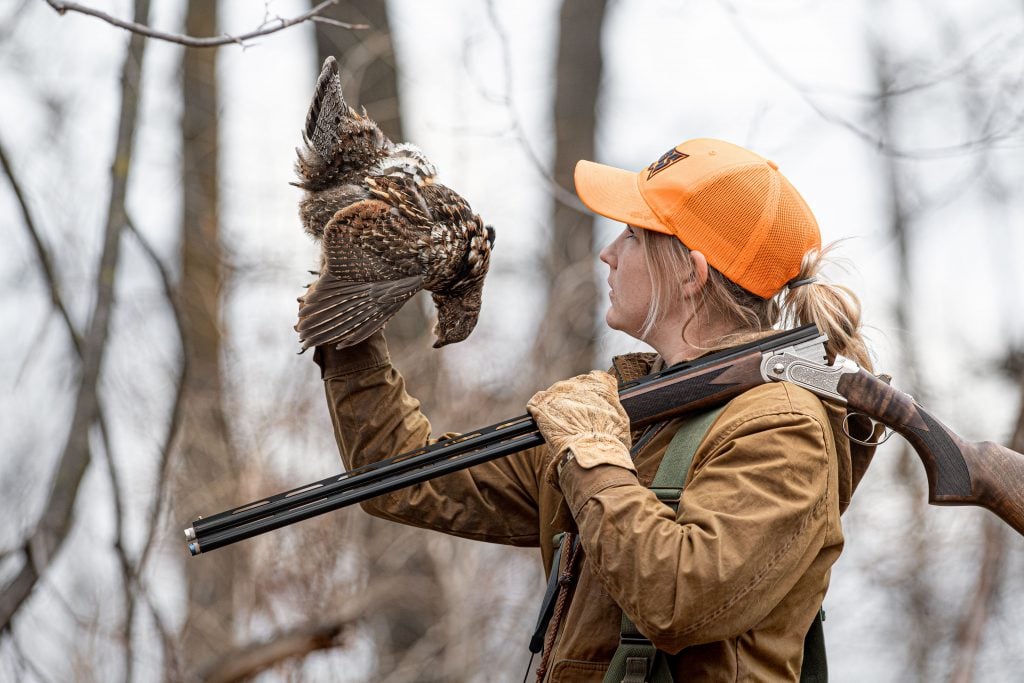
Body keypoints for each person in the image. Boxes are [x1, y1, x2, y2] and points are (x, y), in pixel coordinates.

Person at [311, 138, 879, 682]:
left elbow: (679, 599)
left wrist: (592, 452)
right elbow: (399, 475)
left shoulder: (781, 427)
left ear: (691, 273)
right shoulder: (636, 414)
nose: (608, 253)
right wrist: (353, 302)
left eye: (633, 235)